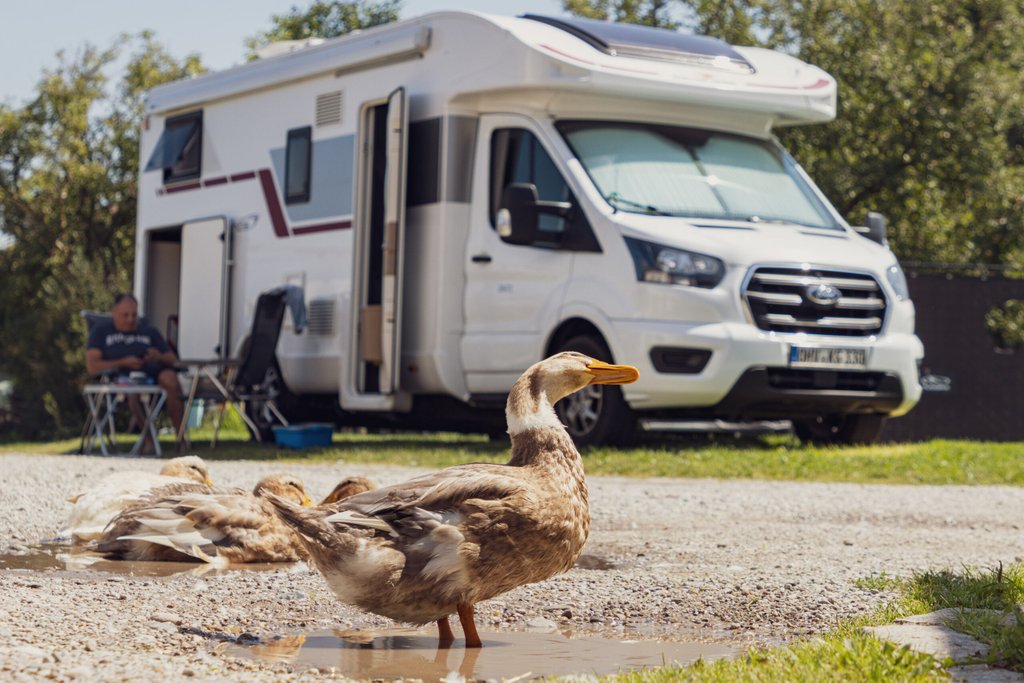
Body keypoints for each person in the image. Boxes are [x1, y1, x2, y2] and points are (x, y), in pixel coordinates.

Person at [85, 293, 184, 450]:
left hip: (151, 377)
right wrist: (122, 362)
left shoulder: (149, 332)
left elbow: (173, 359)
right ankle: (150, 440)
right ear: (114, 313)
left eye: (134, 314)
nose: (131, 319)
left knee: (170, 378)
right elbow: (92, 366)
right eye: (125, 315)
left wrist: (157, 356)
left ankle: (180, 439)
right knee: (133, 393)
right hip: (120, 381)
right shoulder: (101, 332)